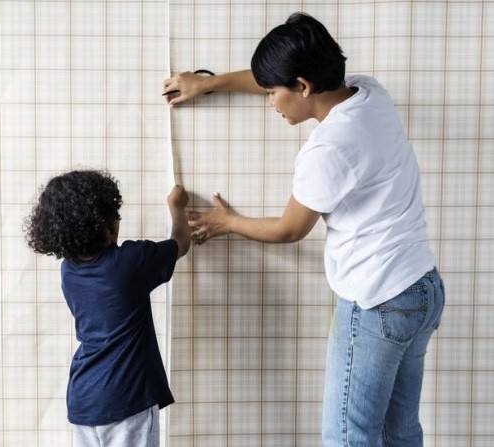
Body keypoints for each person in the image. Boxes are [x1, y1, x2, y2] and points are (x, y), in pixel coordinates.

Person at [163, 12, 444, 447]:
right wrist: (210, 82)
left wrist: (227, 222)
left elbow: (289, 229)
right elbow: (285, 78)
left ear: (303, 86)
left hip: (378, 301)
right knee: (399, 432)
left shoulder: (328, 149)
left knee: (347, 438)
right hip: (421, 288)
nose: (270, 102)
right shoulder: (369, 93)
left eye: (272, 93)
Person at [25, 170, 191, 447]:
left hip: (83, 398)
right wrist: (177, 207)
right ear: (106, 224)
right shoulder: (131, 262)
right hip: (126, 397)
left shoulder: (69, 271)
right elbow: (182, 243)